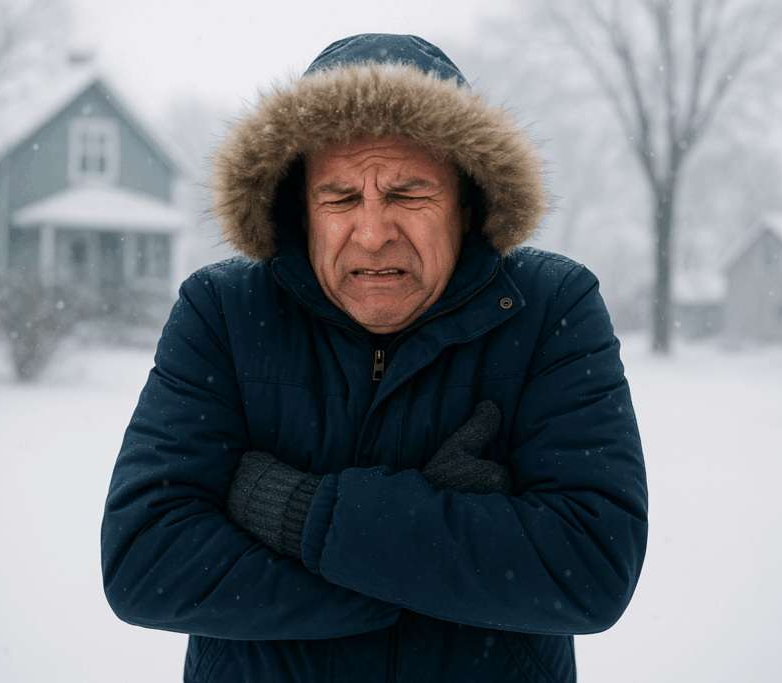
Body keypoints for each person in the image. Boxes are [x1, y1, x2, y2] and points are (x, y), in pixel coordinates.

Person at [101, 33, 648, 683]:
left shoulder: (550, 307)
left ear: (467, 201)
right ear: (298, 209)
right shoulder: (222, 311)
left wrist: (297, 510)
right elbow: (146, 560)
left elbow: (588, 567)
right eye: (339, 198)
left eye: (408, 194)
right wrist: (433, 557)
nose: (372, 231)